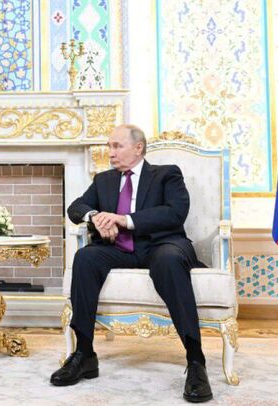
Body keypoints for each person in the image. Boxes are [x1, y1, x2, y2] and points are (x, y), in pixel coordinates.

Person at [50, 124, 213, 403]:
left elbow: (175, 213)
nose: (110, 152)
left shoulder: (166, 174)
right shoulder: (104, 180)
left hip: (161, 245)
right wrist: (95, 217)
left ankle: (196, 361)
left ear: (138, 148)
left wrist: (123, 220)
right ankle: (84, 353)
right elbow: (76, 207)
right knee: (85, 257)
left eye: (117, 146)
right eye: (109, 146)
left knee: (169, 260)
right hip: (119, 249)